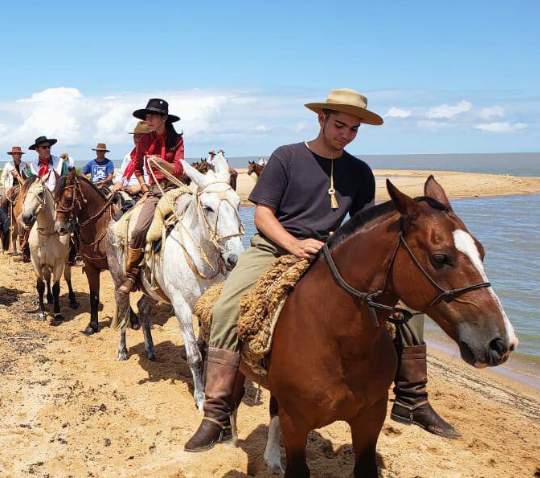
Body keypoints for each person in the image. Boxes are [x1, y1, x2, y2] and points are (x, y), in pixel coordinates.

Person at [185, 88, 387, 451]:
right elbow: (262, 215)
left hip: (331, 254)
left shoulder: (360, 172)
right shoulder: (287, 156)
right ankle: (216, 412)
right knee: (225, 308)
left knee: (398, 305)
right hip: (274, 247)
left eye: (354, 129)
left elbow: (363, 226)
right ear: (321, 118)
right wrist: (293, 244)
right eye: (340, 125)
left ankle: (412, 396)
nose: (346, 134)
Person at [117, 98, 185, 294]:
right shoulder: (145, 140)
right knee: (139, 230)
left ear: (164, 118)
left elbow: (179, 170)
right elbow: (138, 168)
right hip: (155, 192)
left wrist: (162, 163)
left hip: (176, 188)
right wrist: (145, 189)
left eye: (152, 116)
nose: (149, 119)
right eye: (147, 116)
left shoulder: (177, 139)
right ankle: (132, 274)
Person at [113, 121, 152, 195]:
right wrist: (118, 183)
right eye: (135, 136)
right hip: (125, 189)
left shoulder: (151, 156)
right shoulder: (128, 156)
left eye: (140, 136)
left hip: (144, 191)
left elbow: (154, 178)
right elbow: (120, 173)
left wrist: (140, 186)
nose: (137, 139)